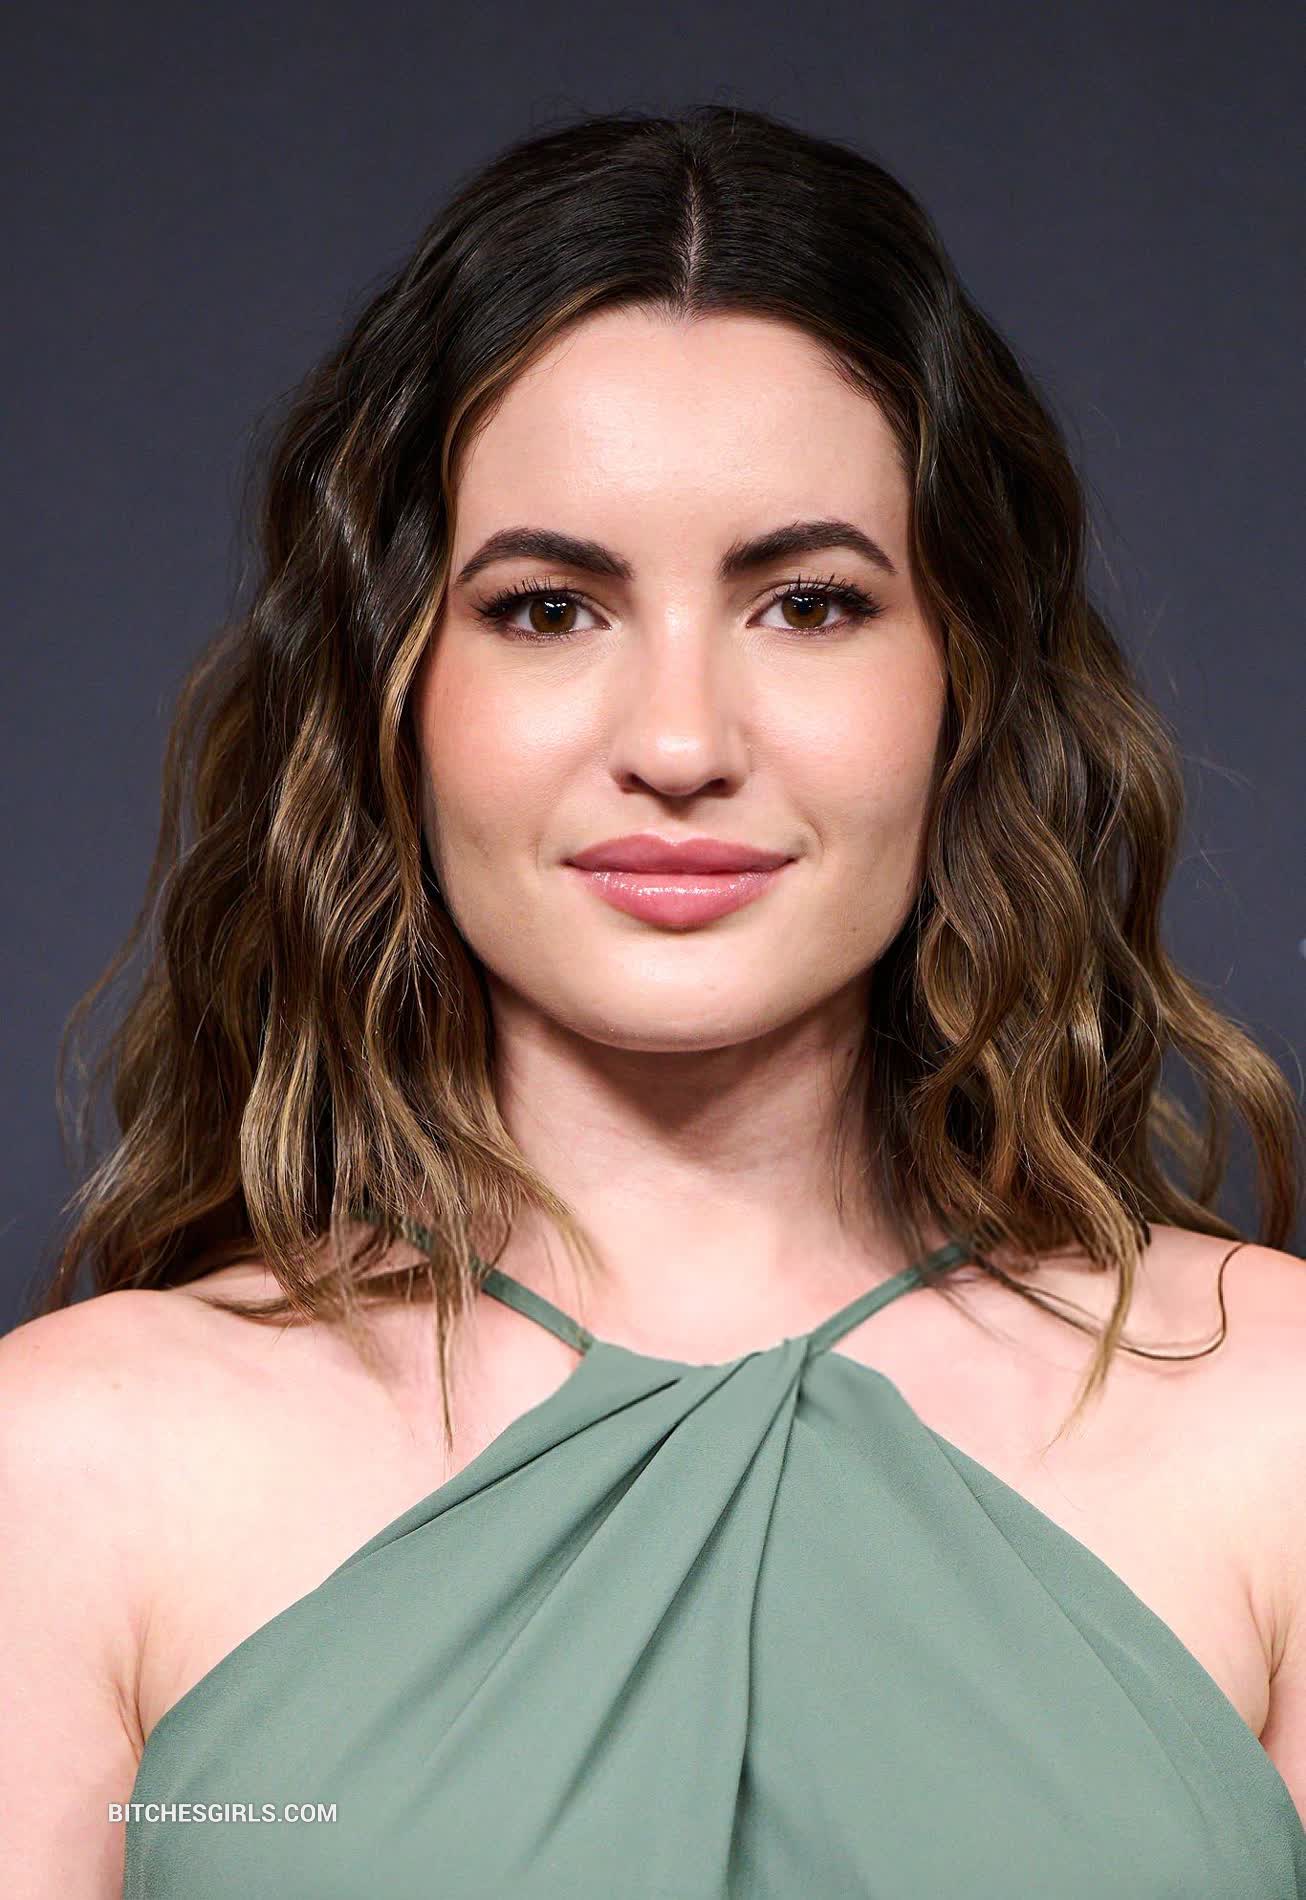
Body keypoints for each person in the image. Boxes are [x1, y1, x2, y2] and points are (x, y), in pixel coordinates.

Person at [3, 103, 1304, 1898]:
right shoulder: (71, 1466)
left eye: (809, 604)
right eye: (548, 609)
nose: (679, 744)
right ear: (393, 691)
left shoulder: (1273, 1415)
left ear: (967, 680)